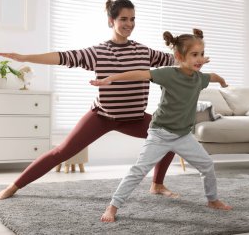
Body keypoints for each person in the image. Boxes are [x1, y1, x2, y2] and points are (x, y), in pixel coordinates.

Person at [0, 0, 178, 201]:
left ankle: (157, 185)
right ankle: (13, 186)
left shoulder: (144, 52)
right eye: (123, 19)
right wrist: (26, 57)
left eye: (132, 19)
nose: (129, 24)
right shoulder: (98, 52)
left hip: (135, 118)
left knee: (172, 137)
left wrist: (197, 57)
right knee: (61, 152)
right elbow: (63, 57)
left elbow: (176, 60)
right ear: (111, 21)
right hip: (102, 117)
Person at [90, 28, 232, 222]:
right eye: (194, 55)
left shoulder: (200, 78)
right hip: (160, 134)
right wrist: (110, 79)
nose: (199, 59)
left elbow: (213, 76)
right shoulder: (168, 74)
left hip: (183, 136)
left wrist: (223, 82)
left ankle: (212, 199)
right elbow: (138, 74)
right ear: (179, 56)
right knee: (139, 170)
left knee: (207, 164)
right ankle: (112, 206)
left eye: (201, 55)